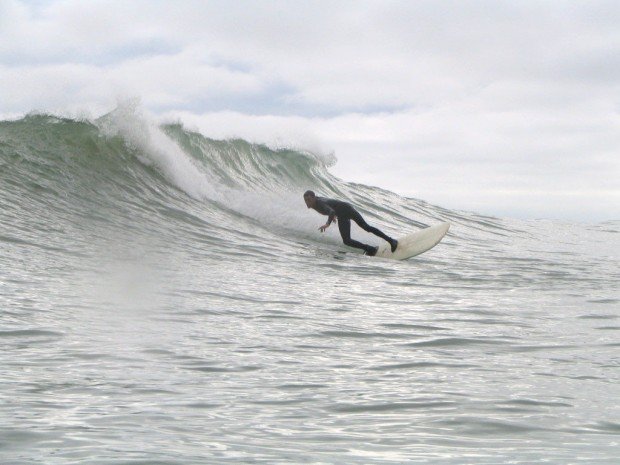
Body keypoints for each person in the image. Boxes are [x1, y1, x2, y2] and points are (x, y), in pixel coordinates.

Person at [303, 190, 398, 256]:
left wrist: (328, 223)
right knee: (347, 241)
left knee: (366, 227)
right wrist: (333, 216)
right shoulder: (316, 202)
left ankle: (391, 241)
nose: (307, 202)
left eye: (309, 200)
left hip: (347, 210)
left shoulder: (319, 203)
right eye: (306, 200)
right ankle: (370, 249)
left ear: (314, 197)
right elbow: (331, 206)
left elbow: (331, 211)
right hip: (342, 214)